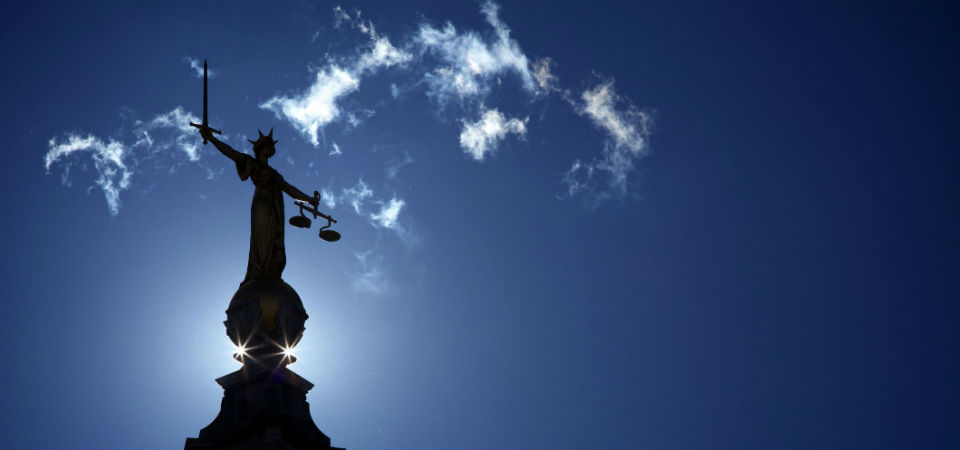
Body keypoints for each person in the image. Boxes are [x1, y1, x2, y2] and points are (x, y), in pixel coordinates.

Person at [198, 126, 319, 285]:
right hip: (262, 204)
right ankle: (259, 272)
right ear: (262, 148)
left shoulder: (275, 174)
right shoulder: (252, 163)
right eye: (270, 144)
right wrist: (212, 139)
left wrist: (309, 199)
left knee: (275, 239)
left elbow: (290, 189)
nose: (273, 147)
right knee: (262, 239)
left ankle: (271, 272)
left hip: (276, 207)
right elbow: (231, 152)